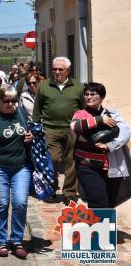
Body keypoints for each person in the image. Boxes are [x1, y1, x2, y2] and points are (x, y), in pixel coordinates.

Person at [0, 85, 33, 259]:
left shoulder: (21, 114)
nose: (11, 104)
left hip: (21, 166)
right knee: (2, 203)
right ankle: (2, 241)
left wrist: (30, 138)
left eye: (13, 100)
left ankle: (16, 240)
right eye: (7, 101)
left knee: (20, 203)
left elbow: (30, 136)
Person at [32, 56, 84, 204]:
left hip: (72, 129)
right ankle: (51, 188)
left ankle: (69, 193)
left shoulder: (78, 86)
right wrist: (36, 128)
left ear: (68, 70)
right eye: (54, 69)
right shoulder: (44, 86)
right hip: (50, 129)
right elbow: (37, 108)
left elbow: (83, 108)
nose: (57, 72)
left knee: (71, 161)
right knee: (52, 159)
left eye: (60, 69)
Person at [70, 82, 131, 208]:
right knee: (98, 201)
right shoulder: (81, 114)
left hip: (110, 167)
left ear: (101, 97)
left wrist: (110, 145)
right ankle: (99, 227)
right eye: (86, 94)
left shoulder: (112, 114)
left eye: (93, 94)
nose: (89, 97)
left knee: (110, 202)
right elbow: (74, 126)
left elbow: (126, 131)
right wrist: (99, 120)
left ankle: (105, 227)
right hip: (87, 165)